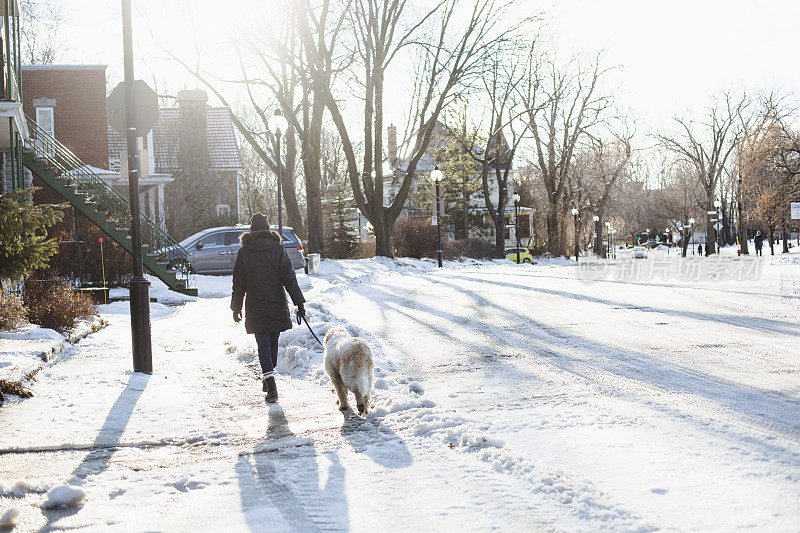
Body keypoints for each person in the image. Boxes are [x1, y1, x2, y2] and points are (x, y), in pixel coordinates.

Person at [231, 213, 305, 402]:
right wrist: (299, 302)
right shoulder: (278, 250)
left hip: (255, 305)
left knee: (262, 343)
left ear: (251, 231)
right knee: (272, 342)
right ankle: (269, 377)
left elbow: (238, 284)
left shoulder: (244, 253)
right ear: (268, 229)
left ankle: (269, 380)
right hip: (276, 302)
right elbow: (289, 278)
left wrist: (236, 307)